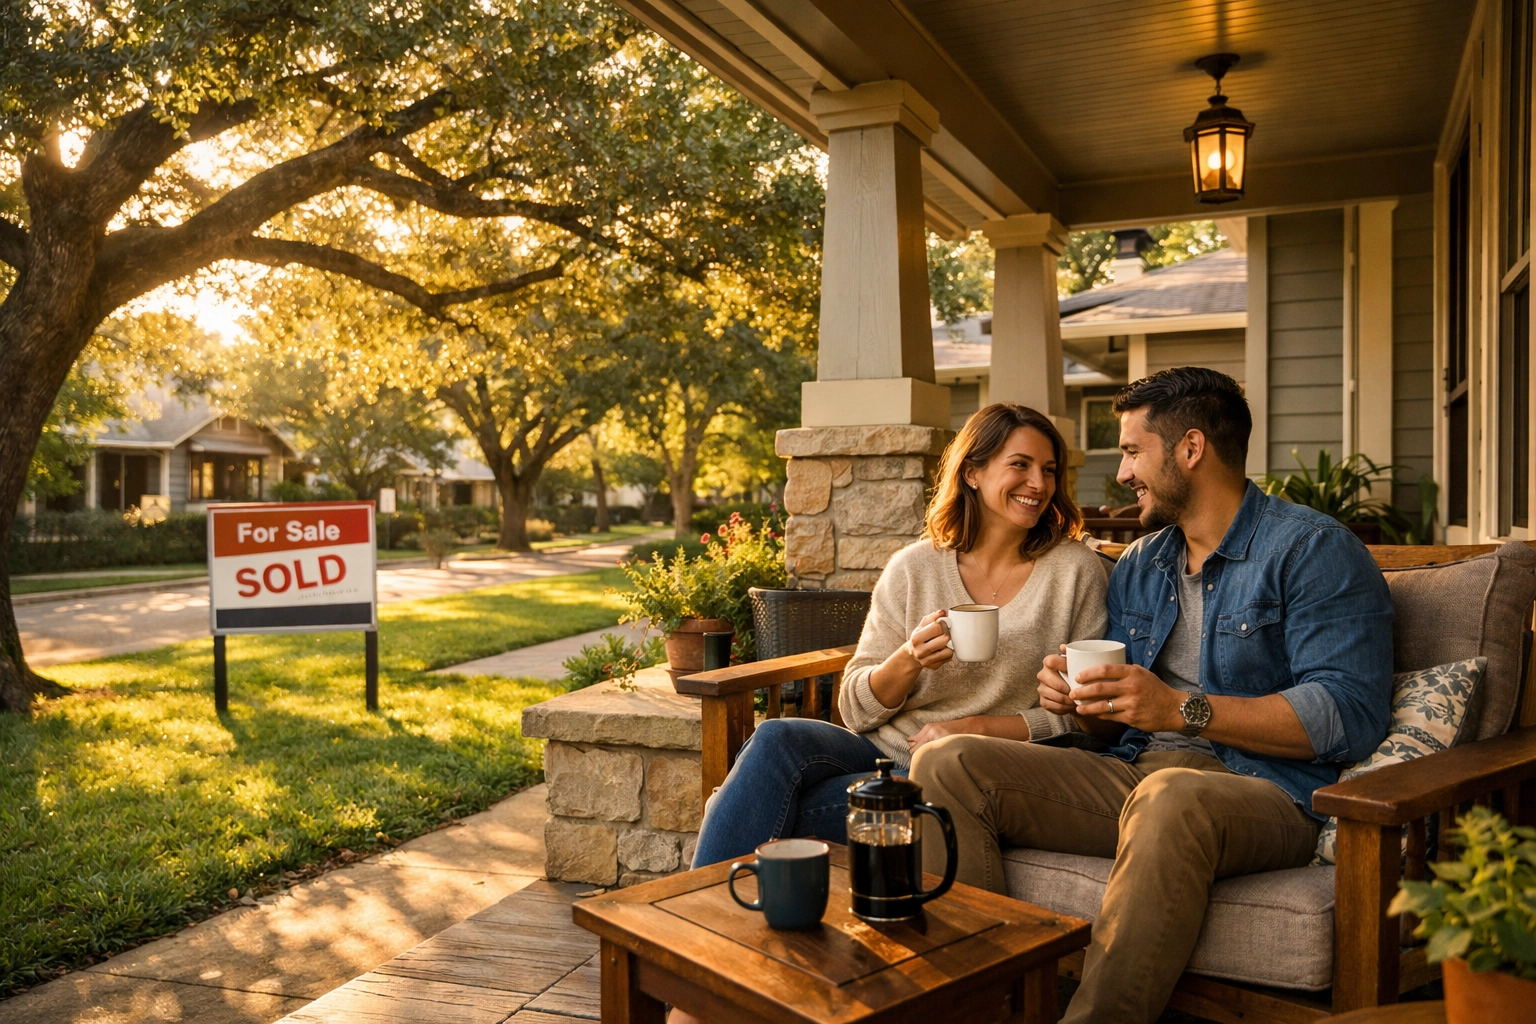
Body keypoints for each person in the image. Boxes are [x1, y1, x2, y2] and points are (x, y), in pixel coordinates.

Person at [910, 367, 1394, 1024]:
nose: (1123, 473)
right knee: (948, 762)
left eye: (1134, 451)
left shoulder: (1313, 550)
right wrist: (1080, 703)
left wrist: (1179, 711)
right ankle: (991, 1009)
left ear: (1190, 449)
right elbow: (1117, 726)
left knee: (1172, 796)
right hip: (1135, 775)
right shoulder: (1142, 564)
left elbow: (1350, 715)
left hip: (1264, 792)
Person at [688, 403, 1110, 868]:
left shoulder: (1075, 573)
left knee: (780, 809)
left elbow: (1081, 720)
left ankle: (694, 914)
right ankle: (693, 914)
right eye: (1020, 465)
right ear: (972, 472)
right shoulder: (914, 568)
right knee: (775, 738)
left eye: (1048, 470)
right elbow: (852, 708)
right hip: (882, 752)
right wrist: (908, 658)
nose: (1039, 484)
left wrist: (973, 730)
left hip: (971, 772)